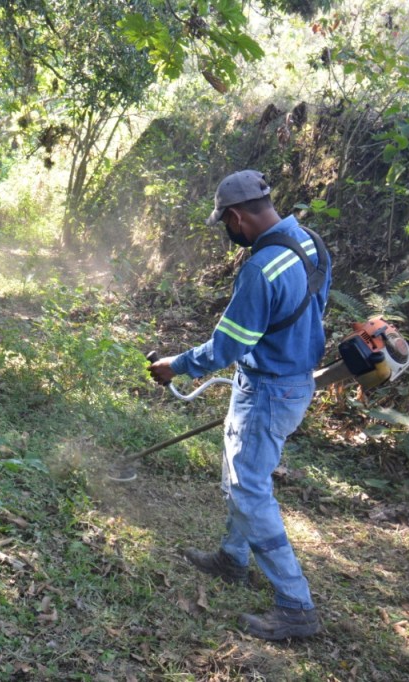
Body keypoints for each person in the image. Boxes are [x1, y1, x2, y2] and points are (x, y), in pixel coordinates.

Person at [148, 169, 331, 641]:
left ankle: (295, 604)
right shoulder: (309, 242)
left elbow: (226, 346)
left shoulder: (259, 267)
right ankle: (233, 557)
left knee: (249, 488)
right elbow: (315, 306)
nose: (228, 233)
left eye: (225, 225)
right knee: (242, 473)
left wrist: (176, 365)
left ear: (235, 217)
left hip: (268, 389)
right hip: (293, 381)